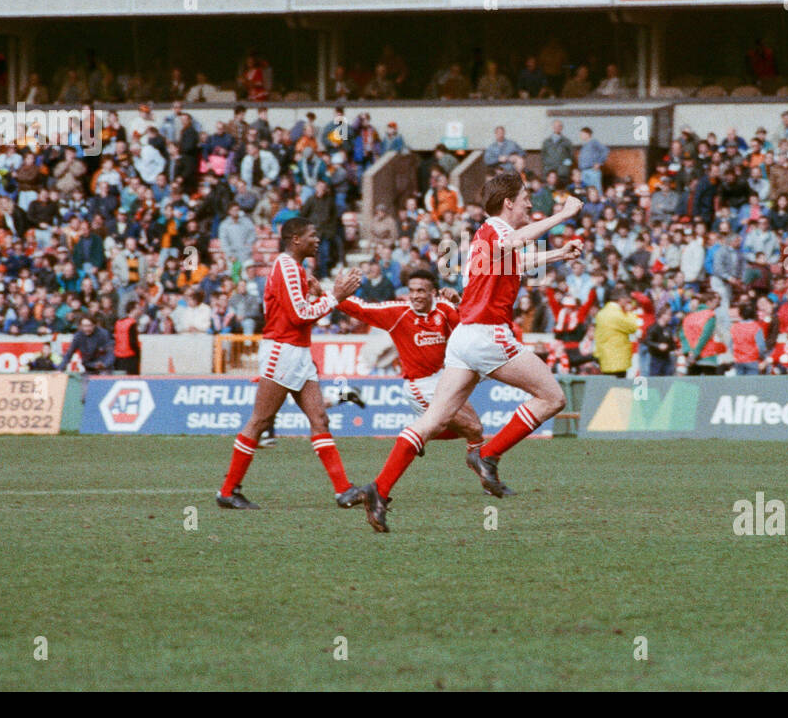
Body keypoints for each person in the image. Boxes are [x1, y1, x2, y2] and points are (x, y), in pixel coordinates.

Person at [358, 174, 584, 532]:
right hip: (488, 335)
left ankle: (379, 489)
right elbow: (519, 240)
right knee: (552, 396)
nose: (530, 204)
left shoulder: (486, 237)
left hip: (464, 337)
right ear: (508, 202)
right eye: (525, 198)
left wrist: (559, 252)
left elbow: (518, 262)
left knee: (431, 421)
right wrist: (564, 214)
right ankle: (489, 454)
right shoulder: (496, 231)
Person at [217, 217, 362, 510]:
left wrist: (319, 295)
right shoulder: (286, 267)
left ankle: (344, 490)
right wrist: (334, 296)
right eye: (312, 235)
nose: (317, 239)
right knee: (259, 421)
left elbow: (297, 311)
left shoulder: (294, 268)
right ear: (296, 239)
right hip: (282, 352)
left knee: (319, 419)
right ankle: (228, 491)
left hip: (297, 352)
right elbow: (299, 315)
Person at [335, 268, 498, 493]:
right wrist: (331, 295)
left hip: (444, 379)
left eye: (421, 290)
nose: (415, 296)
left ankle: (419, 437)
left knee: (476, 430)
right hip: (420, 385)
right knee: (471, 427)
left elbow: (469, 329)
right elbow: (361, 309)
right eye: (411, 291)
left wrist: (459, 302)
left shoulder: (444, 309)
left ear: (433, 292)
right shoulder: (397, 312)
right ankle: (419, 439)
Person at [594, 286, 642, 377]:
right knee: (619, 387)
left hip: (604, 356)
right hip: (617, 358)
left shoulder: (601, 313)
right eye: (627, 300)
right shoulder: (617, 314)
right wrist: (629, 312)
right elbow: (633, 326)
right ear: (621, 299)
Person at [114, 303, 142, 374]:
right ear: (132, 310)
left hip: (119, 356)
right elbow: (133, 342)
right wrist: (138, 353)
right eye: (138, 308)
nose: (140, 310)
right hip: (130, 357)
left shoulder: (119, 322)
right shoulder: (131, 323)